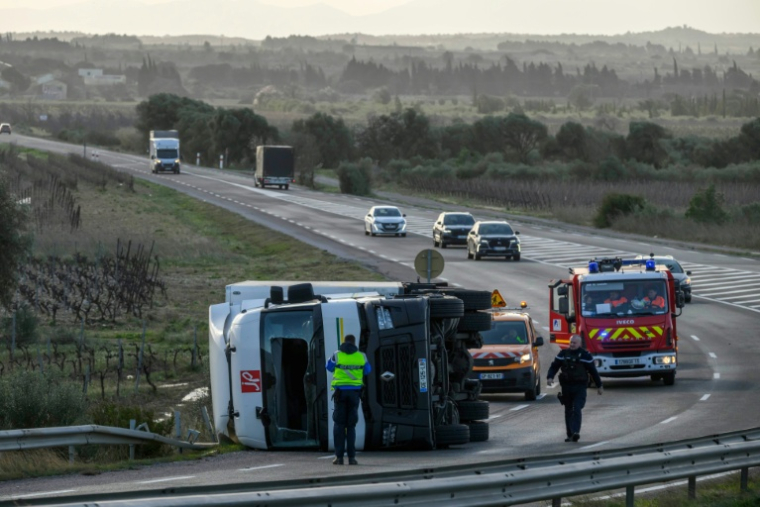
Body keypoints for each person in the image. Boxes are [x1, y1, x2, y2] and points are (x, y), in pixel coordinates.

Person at [546, 335, 603, 443]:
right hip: (567, 387)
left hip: (580, 387)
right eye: (571, 342)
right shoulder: (563, 354)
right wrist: (550, 377)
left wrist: (599, 385)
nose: (572, 344)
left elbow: (593, 371)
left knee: (577, 408)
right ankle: (570, 434)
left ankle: (576, 432)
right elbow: (554, 366)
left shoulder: (585, 356)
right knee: (568, 410)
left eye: (574, 343)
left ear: (579, 344)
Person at [326, 334, 371, 465]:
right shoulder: (361, 356)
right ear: (354, 343)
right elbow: (368, 370)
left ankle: (338, 457)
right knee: (351, 426)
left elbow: (328, 367)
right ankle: (352, 458)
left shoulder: (337, 355)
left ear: (344, 342)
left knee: (339, 424)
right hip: (355, 394)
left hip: (340, 394)